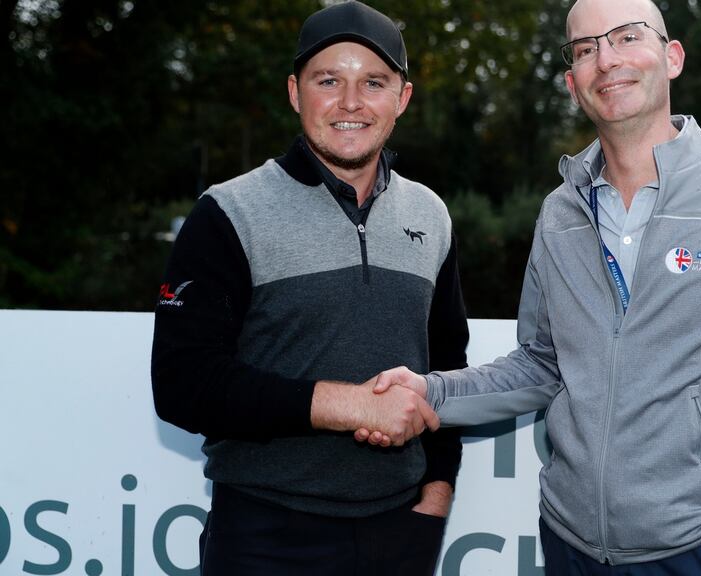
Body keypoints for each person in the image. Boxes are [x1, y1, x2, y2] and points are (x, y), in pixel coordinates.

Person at [367, 0, 701, 574]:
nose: (606, 60)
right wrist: (428, 394)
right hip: (569, 543)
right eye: (585, 49)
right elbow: (541, 364)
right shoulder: (559, 212)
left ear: (671, 57)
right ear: (572, 82)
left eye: (627, 37)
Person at [150, 2, 469, 574]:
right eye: (329, 80)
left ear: (402, 98)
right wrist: (344, 404)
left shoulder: (432, 214)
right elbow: (182, 383)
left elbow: (446, 366)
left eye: (373, 82)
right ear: (296, 93)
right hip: (263, 533)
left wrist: (437, 493)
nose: (350, 103)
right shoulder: (228, 212)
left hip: (400, 530)